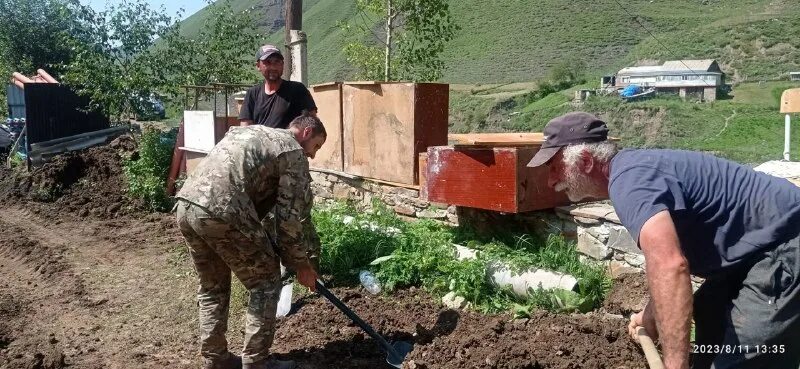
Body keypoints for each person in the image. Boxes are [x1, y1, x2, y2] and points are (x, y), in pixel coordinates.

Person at [527, 112, 800, 369]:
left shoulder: (629, 183)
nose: (551, 181)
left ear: (585, 161)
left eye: (555, 169)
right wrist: (650, 315)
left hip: (785, 244)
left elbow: (671, 267)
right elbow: (665, 263)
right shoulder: (633, 171)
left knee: (747, 356)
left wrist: (673, 365)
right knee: (710, 312)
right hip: (759, 247)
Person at [176, 113, 326, 369]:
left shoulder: (251, 133)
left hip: (187, 206)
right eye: (316, 147)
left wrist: (290, 254)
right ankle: (257, 363)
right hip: (224, 211)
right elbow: (289, 218)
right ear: (306, 133)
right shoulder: (293, 152)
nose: (313, 155)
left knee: (213, 287)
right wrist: (301, 265)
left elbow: (263, 208)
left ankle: (216, 360)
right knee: (266, 283)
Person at [239, 44, 317, 128]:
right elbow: (245, 126)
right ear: (258, 66)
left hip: (289, 140)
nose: (273, 67)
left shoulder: (297, 90)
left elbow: (311, 123)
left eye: (277, 62)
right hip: (259, 140)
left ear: (282, 64)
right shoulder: (252, 93)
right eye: (268, 62)